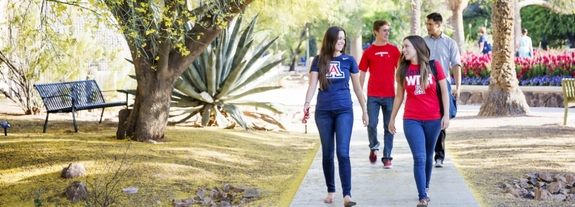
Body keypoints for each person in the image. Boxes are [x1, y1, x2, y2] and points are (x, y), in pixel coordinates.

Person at [303, 26, 368, 207]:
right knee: (327, 153)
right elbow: (312, 85)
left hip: (344, 110)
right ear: (330, 39)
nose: (342, 41)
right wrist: (306, 105)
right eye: (339, 38)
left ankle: (347, 195)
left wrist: (364, 110)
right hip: (323, 112)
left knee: (342, 152)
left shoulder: (349, 60)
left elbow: (357, 88)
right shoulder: (318, 60)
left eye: (344, 38)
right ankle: (331, 190)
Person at [388, 35, 450, 207]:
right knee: (420, 157)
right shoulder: (402, 70)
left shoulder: (434, 66)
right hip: (412, 119)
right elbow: (399, 96)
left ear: (417, 47)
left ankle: (426, 186)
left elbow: (444, 92)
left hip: (433, 119)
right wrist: (392, 118)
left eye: (407, 46)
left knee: (429, 156)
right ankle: (422, 196)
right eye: (403, 47)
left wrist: (445, 116)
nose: (403, 50)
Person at [359, 20, 401, 168]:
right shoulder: (368, 51)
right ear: (376, 32)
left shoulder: (394, 50)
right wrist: (360, 91)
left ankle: (387, 157)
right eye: (384, 30)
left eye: (388, 30)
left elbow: (401, 71)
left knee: (389, 127)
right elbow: (362, 73)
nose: (387, 33)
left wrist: (403, 90)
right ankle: (373, 147)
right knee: (371, 124)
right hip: (373, 96)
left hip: (390, 95)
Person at [423, 12, 461, 168]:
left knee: (442, 118)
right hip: (425, 84)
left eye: (430, 24)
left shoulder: (450, 43)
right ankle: (426, 152)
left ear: (439, 25)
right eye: (427, 24)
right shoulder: (423, 42)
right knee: (425, 116)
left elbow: (456, 64)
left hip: (443, 85)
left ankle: (439, 155)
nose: (427, 27)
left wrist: (458, 87)